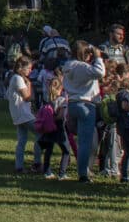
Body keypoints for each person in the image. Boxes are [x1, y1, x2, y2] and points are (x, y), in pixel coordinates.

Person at [59, 42, 106, 183]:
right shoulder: (83, 67)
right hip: (86, 104)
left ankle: (82, 169)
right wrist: (98, 58)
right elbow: (100, 72)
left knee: (81, 140)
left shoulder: (68, 66)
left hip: (72, 103)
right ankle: (83, 173)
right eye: (89, 54)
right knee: (85, 142)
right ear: (84, 54)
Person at [34, 74, 68, 178]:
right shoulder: (62, 101)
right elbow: (61, 116)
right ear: (60, 88)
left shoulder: (47, 100)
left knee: (49, 150)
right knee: (66, 151)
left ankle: (47, 171)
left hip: (49, 128)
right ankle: (62, 173)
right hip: (59, 128)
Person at [6, 55, 36, 172]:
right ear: (21, 68)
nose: (30, 70)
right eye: (28, 68)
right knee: (40, 135)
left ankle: (19, 166)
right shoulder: (18, 79)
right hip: (24, 114)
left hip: (18, 114)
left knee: (22, 140)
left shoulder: (15, 78)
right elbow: (28, 97)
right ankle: (37, 163)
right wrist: (29, 85)